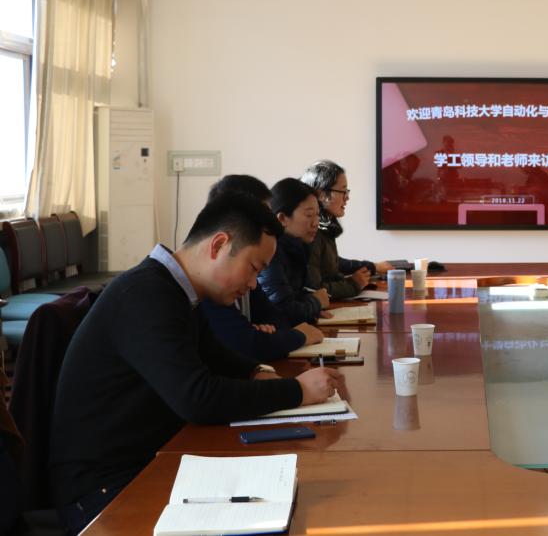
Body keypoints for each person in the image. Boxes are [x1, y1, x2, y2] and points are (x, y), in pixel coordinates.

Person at [49, 194, 344, 532]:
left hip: (149, 460)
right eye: (253, 268)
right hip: (102, 490)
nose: (253, 284)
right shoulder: (146, 295)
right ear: (218, 245)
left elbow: (214, 354)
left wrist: (256, 371)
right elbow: (197, 398)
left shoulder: (177, 290)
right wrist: (297, 391)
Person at [200, 175, 323, 360]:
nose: (271, 223)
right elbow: (247, 344)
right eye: (263, 216)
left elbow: (277, 318)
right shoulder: (210, 280)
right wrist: (299, 335)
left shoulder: (249, 269)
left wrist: (265, 333)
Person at [300, 160, 392, 300]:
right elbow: (314, 289)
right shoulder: (312, 233)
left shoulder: (324, 229)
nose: (347, 197)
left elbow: (333, 263)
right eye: (343, 191)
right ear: (321, 194)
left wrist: (370, 268)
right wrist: (353, 284)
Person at [258, 178, 331, 325]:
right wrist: (316, 302)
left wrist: (312, 308)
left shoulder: (298, 247)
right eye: (309, 215)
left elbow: (297, 295)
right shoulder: (271, 252)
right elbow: (283, 312)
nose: (316, 223)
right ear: (282, 218)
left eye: (317, 215)